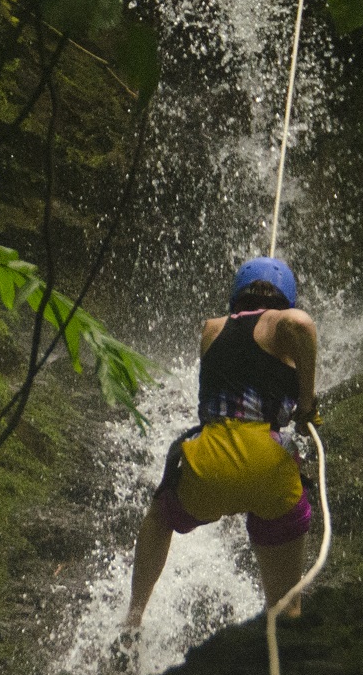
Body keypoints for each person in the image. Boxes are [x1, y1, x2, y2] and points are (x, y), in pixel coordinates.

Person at [122, 256, 320, 640]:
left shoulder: (211, 330)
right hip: (268, 466)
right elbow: (300, 324)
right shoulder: (282, 323)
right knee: (286, 606)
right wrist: (307, 401)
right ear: (287, 299)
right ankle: (282, 651)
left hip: (209, 464)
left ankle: (133, 619)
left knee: (161, 516)